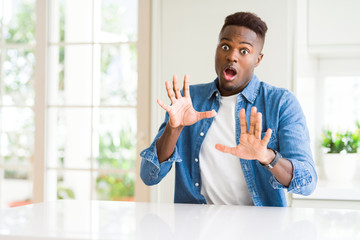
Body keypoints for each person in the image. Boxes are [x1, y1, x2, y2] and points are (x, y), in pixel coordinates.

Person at [140, 12, 317, 207]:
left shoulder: (281, 103)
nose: (231, 56)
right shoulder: (189, 101)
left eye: (244, 51)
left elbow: (307, 182)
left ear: (258, 59)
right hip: (195, 227)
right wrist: (173, 130)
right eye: (225, 46)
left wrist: (267, 157)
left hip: (260, 230)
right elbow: (149, 176)